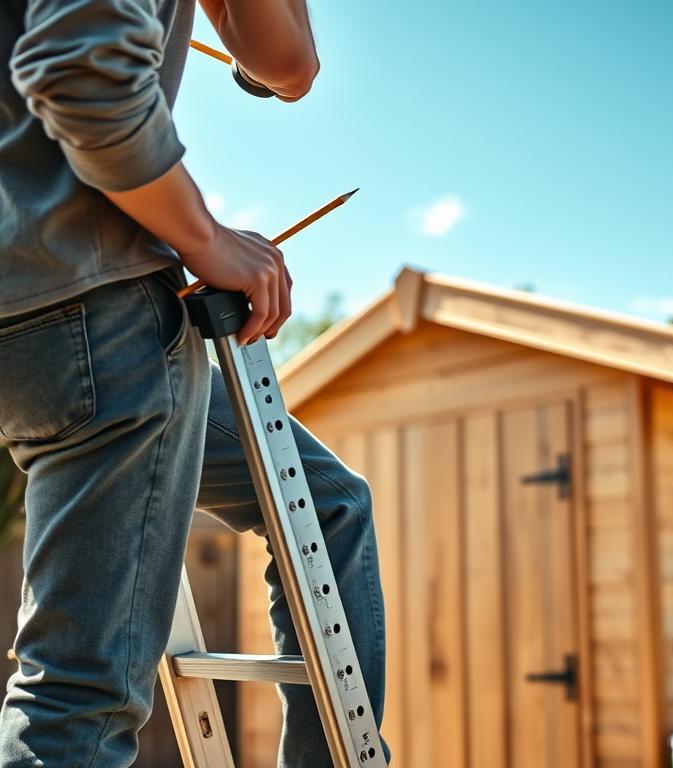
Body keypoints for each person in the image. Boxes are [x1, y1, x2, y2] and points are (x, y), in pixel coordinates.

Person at [0, 0, 390, 766]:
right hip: (93, 306)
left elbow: (281, 67)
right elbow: (84, 72)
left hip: (36, 305)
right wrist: (204, 237)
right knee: (79, 696)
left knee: (326, 505)